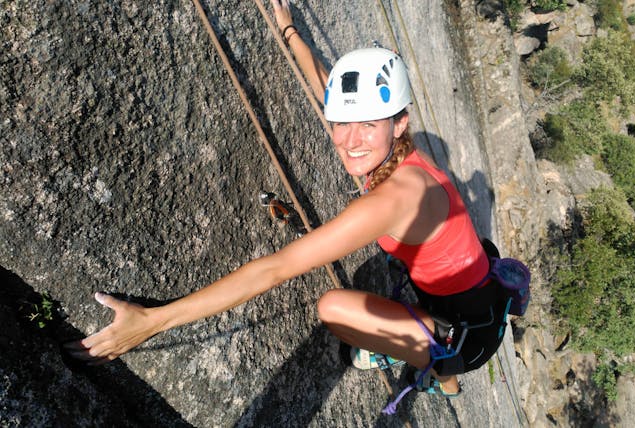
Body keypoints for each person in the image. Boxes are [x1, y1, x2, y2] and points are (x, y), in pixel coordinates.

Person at [66, 0, 508, 404]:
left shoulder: (394, 199)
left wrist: (153, 320)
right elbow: (324, 85)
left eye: (367, 126)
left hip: (467, 337)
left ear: (399, 122)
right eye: (341, 123)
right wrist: (290, 30)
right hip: (474, 300)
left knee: (333, 309)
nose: (349, 141)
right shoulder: (403, 150)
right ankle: (436, 361)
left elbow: (276, 268)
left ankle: (442, 374)